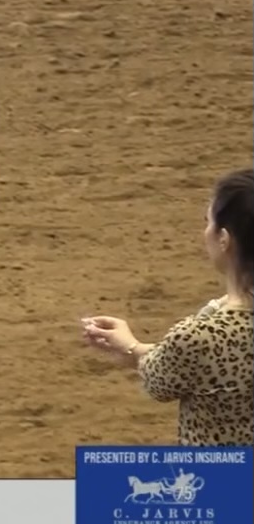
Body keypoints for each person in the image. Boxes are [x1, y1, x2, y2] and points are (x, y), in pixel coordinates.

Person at [81, 167, 254, 446]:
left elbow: (160, 381)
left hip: (223, 481)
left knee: (100, 483)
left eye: (208, 221)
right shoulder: (203, 336)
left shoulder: (200, 336)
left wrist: (130, 347)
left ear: (224, 240)